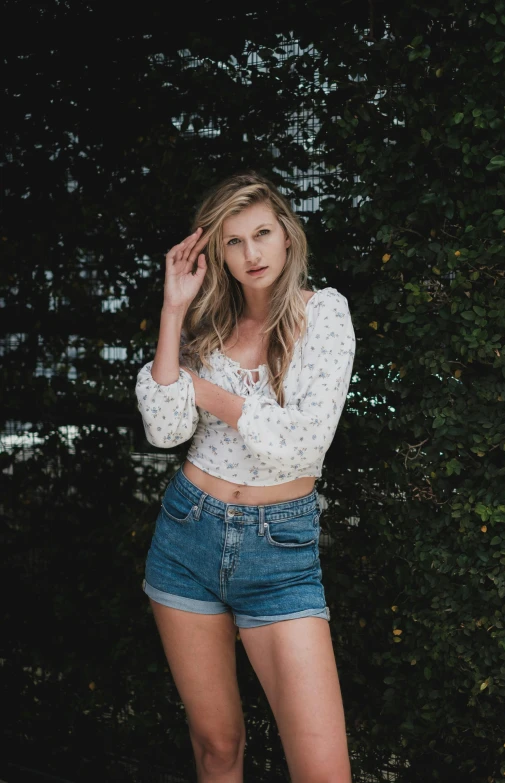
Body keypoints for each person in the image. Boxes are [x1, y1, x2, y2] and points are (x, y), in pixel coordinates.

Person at [135, 171, 356, 783]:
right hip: (187, 538)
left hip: (279, 556)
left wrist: (205, 391)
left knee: (323, 771)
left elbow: (304, 444)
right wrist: (174, 307)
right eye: (234, 241)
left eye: (262, 233)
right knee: (216, 748)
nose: (251, 253)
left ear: (288, 236)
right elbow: (163, 427)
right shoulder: (204, 328)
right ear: (217, 254)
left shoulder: (324, 316)